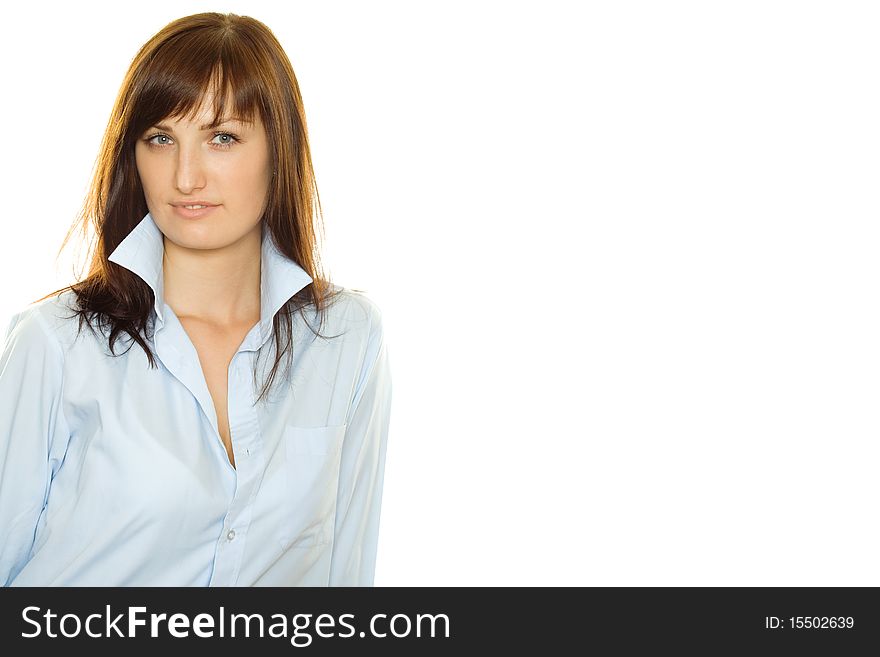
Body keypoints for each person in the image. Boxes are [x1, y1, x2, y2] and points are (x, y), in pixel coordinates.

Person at [0, 12, 392, 586]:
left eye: (222, 138)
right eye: (160, 139)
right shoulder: (56, 344)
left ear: (278, 149)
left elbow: (347, 580)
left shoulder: (348, 339)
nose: (185, 177)